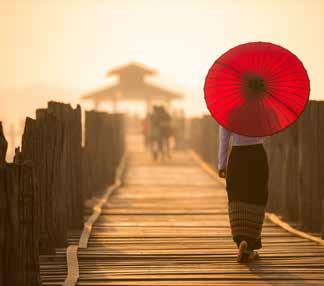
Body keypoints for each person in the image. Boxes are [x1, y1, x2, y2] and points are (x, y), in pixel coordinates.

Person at [218, 125, 268, 263]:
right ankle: (250, 245)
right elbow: (269, 131)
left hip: (238, 157)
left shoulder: (230, 111)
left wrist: (221, 165)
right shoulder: (260, 110)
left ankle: (241, 241)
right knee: (256, 198)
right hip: (258, 155)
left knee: (236, 198)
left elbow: (224, 139)